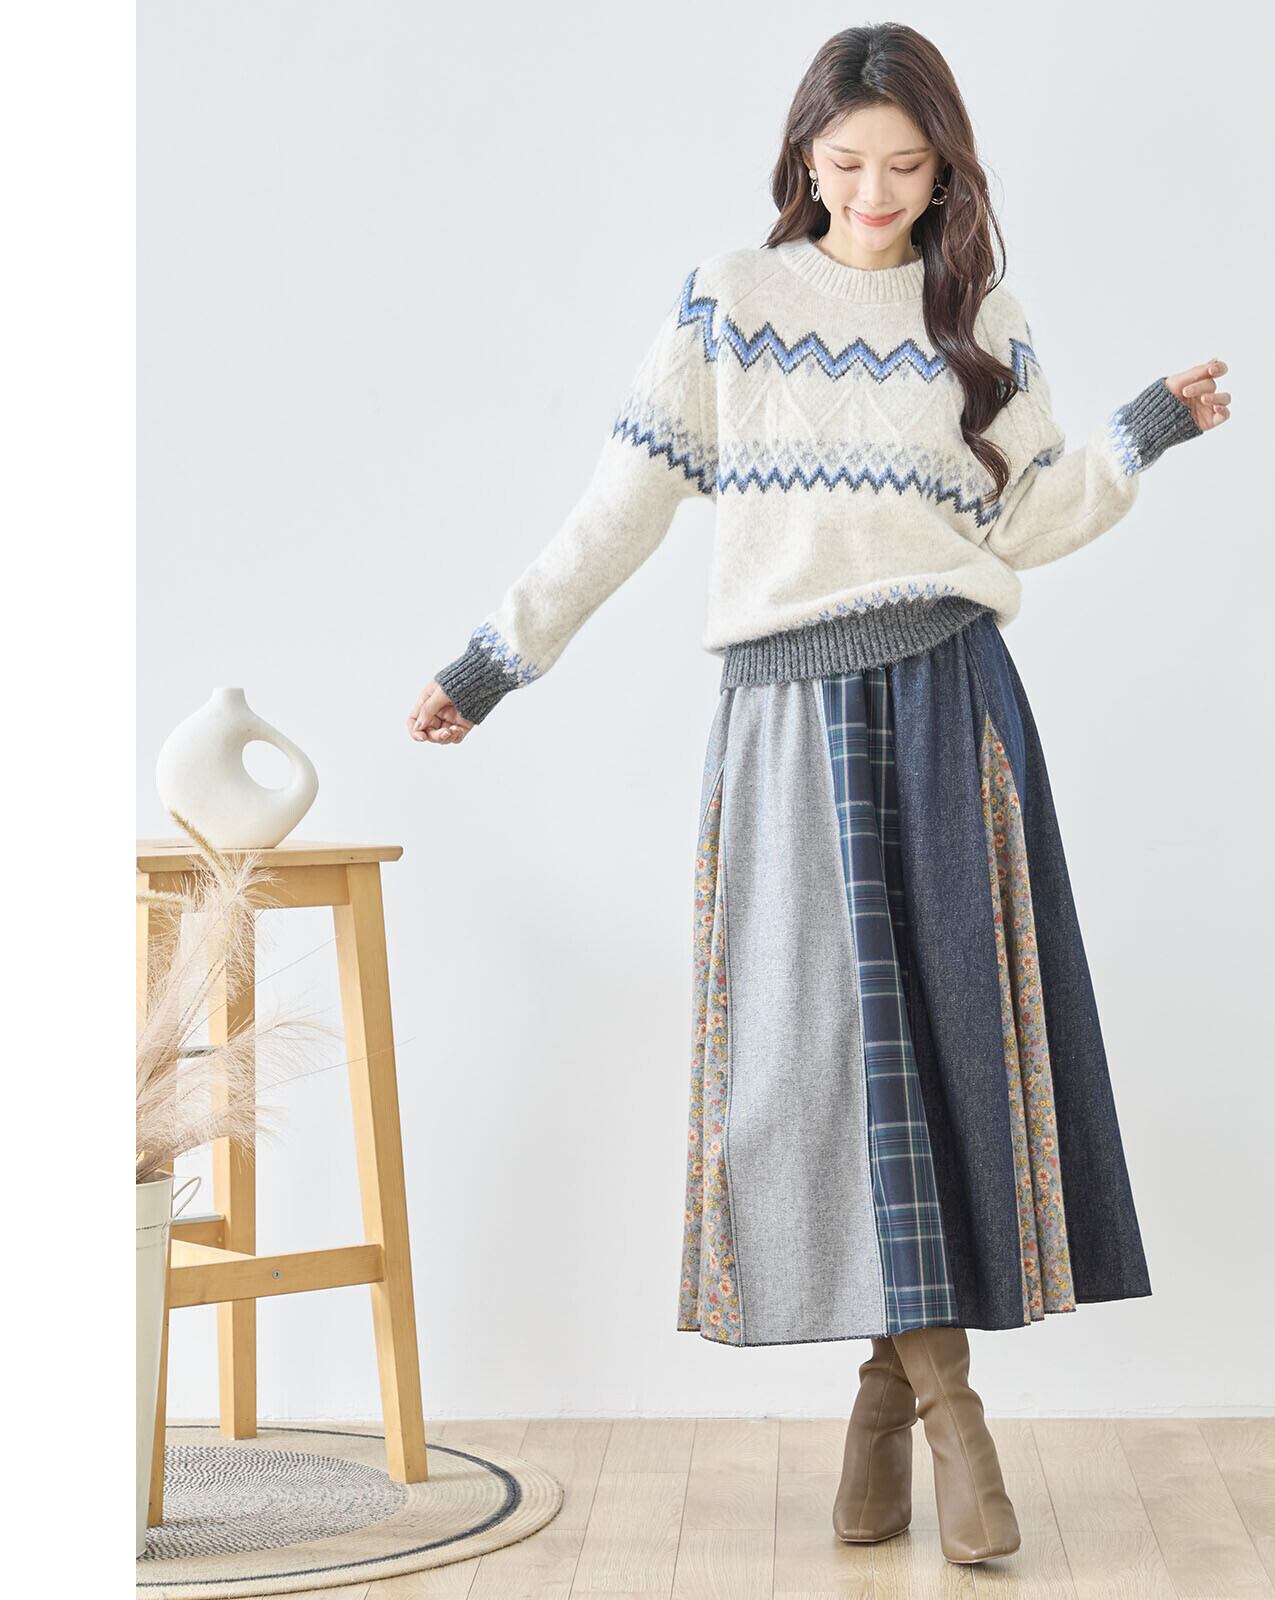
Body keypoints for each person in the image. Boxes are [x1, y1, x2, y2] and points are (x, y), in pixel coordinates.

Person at [407, 23, 1229, 1568]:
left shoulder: (977, 314)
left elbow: (1029, 518)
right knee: (816, 1072)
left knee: (949, 1058)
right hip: (786, 721)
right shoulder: (732, 300)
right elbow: (622, 504)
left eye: (907, 167)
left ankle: (886, 1407)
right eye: (847, 163)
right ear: (803, 158)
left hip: (951, 695)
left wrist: (1145, 433)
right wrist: (494, 662)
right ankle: (949, 1411)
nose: (875, 192)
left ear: (947, 170)